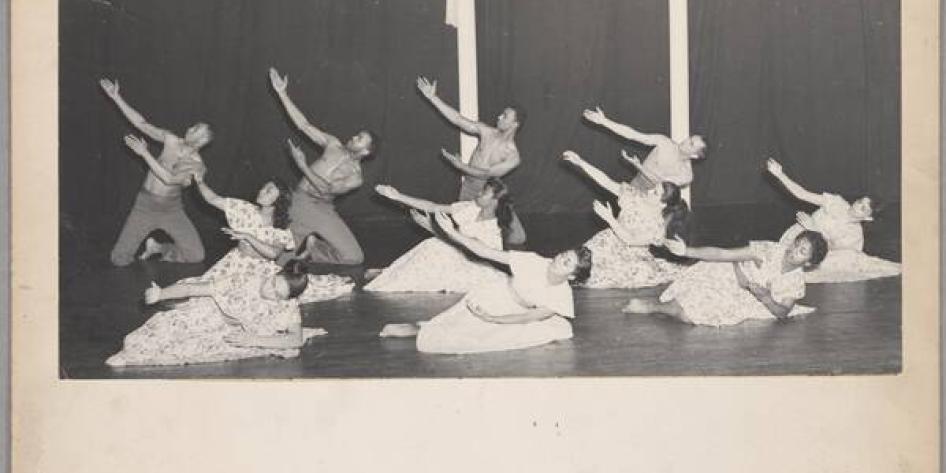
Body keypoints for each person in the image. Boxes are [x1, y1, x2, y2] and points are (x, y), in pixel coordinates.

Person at [379, 212, 593, 354]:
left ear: (572, 276)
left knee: (554, 331)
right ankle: (421, 327)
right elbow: (484, 251)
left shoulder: (561, 296)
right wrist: (452, 232)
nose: (558, 260)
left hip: (513, 313)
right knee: (462, 331)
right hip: (494, 296)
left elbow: (527, 316)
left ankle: (424, 328)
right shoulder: (534, 261)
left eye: (566, 263)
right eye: (563, 254)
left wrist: (493, 319)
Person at [106, 260, 325, 367]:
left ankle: (135, 358)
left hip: (235, 332)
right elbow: (194, 288)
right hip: (206, 312)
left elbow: (295, 340)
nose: (269, 291)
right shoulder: (244, 280)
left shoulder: (288, 307)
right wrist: (161, 293)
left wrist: (254, 339)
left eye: (278, 294)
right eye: (272, 283)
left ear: (287, 299)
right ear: (274, 274)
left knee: (188, 350)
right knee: (150, 335)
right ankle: (131, 352)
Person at [269, 67, 377, 265]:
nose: (354, 137)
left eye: (360, 138)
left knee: (354, 257)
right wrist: (281, 93)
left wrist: (302, 165)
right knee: (278, 262)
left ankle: (314, 250)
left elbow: (326, 188)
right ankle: (296, 246)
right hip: (300, 202)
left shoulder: (355, 177)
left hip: (322, 208)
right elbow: (304, 125)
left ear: (365, 151)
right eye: (357, 134)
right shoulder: (333, 144)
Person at [99, 78, 211, 266]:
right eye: (193, 126)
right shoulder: (171, 140)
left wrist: (144, 154)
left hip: (172, 209)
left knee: (196, 256)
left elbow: (169, 179)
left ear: (200, 141)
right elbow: (142, 124)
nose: (189, 128)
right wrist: (116, 97)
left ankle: (159, 248)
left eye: (195, 129)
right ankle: (150, 247)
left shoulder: (197, 165)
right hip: (145, 205)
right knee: (118, 260)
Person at [622, 231, 829, 327]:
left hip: (749, 299)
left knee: (688, 317)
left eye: (802, 252)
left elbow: (782, 312)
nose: (793, 251)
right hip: (728, 274)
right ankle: (652, 306)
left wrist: (764, 297)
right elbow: (723, 254)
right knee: (690, 305)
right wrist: (686, 250)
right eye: (796, 244)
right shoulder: (770, 249)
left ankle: (659, 307)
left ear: (809, 262)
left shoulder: (796, 282)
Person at [416, 76, 528, 246]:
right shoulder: (486, 132)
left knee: (518, 238)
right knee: (462, 229)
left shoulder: (513, 156)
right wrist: (433, 98)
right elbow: (458, 119)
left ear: (514, 124)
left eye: (505, 116)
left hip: (490, 194)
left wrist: (460, 165)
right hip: (469, 188)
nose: (499, 117)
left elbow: (487, 174)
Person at [563, 150, 690, 288]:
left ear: (662, 204)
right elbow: (606, 182)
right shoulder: (633, 196)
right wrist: (581, 162)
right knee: (581, 260)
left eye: (654, 193)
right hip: (609, 241)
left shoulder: (657, 227)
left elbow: (630, 239)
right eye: (653, 188)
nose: (648, 191)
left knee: (638, 273)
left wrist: (610, 219)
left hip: (631, 254)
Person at [364, 179, 513, 292]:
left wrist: (432, 228)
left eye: (484, 192)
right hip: (455, 251)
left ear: (495, 201)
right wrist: (397, 196)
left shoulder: (494, 228)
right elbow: (432, 206)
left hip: (470, 262)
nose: (478, 193)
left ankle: (393, 276)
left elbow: (474, 253)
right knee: (433, 244)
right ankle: (391, 273)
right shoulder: (471, 207)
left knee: (437, 248)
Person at [765, 159, 900, 283]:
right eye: (859, 202)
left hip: (814, 253)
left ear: (868, 217)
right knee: (777, 260)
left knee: (852, 258)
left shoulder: (854, 234)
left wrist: (815, 229)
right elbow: (802, 194)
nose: (857, 206)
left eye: (863, 208)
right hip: (797, 239)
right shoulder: (836, 202)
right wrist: (780, 174)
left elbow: (831, 252)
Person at [582, 106, 706, 191]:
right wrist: (604, 122)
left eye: (691, 144)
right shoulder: (664, 142)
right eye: (689, 139)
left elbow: (660, 184)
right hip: (636, 185)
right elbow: (633, 135)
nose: (685, 141)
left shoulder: (686, 175)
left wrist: (639, 166)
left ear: (695, 155)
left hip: (655, 202)